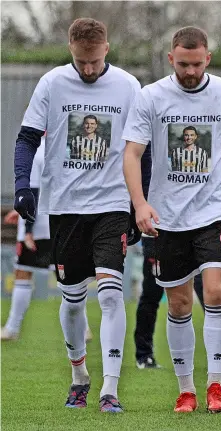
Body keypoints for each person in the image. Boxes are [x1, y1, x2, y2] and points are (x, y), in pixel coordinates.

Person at [122, 26, 221, 414]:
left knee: (215, 292)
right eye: (183, 64)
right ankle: (186, 390)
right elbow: (132, 154)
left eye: (197, 64)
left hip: (213, 211)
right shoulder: (151, 97)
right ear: (171, 59)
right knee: (179, 303)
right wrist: (140, 204)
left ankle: (216, 386)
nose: (190, 72)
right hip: (167, 217)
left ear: (208, 59)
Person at [13, 18, 141, 413]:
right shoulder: (52, 84)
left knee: (109, 293)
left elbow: (142, 148)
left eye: (95, 61)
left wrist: (140, 202)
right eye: (81, 62)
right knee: (71, 300)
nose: (88, 69)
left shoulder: (128, 86)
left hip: (112, 204)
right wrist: (23, 185)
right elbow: (27, 138)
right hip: (65, 207)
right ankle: (79, 376)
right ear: (71, 50)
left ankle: (110, 389)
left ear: (106, 49)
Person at [2, 137, 93, 342]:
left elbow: (32, 190)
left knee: (23, 272)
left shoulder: (35, 150)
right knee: (71, 277)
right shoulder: (67, 146)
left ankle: (12, 328)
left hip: (39, 225)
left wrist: (27, 228)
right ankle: (83, 329)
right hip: (66, 222)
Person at [134, 235, 221, 370]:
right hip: (159, 233)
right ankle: (144, 354)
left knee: (209, 290)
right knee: (152, 293)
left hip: (192, 232)